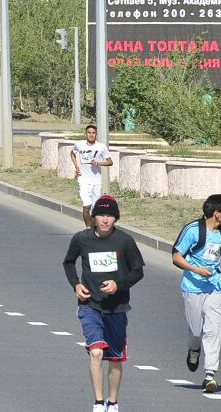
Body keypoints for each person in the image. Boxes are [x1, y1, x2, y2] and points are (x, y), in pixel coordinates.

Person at [63, 195, 145, 412]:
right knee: (97, 352)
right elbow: (69, 262)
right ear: (94, 217)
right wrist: (76, 285)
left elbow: (138, 271)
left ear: (115, 218)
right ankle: (99, 403)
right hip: (90, 305)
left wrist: (118, 285)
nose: (105, 220)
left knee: (115, 359)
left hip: (117, 307)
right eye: (101, 215)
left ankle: (113, 402)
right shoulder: (81, 239)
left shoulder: (125, 241)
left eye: (110, 215)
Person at [173, 193, 221, 393]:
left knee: (214, 329)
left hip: (215, 287)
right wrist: (196, 270)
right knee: (196, 332)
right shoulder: (193, 230)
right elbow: (176, 256)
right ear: (217, 213)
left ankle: (210, 374)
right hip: (193, 287)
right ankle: (194, 348)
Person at [71, 125, 113, 229]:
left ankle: (93, 230)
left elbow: (110, 162)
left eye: (93, 133)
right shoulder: (79, 145)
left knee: (95, 209)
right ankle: (88, 229)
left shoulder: (101, 147)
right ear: (85, 134)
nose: (91, 135)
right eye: (89, 133)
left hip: (97, 181)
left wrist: (99, 163)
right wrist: (76, 166)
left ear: (96, 134)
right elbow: (72, 153)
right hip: (84, 180)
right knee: (87, 205)